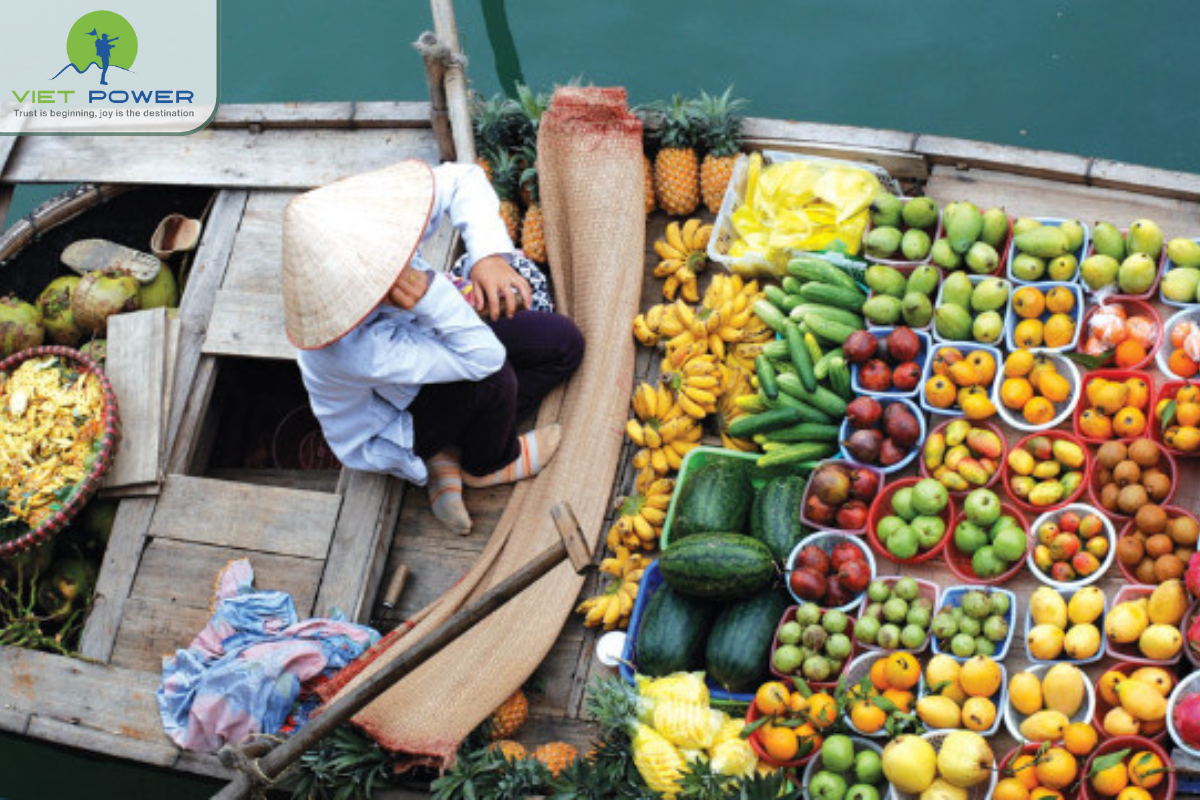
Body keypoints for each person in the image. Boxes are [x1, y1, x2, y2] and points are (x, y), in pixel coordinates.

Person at [282, 160, 584, 534]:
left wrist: (488, 256)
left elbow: (462, 178)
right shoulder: (353, 348)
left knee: (563, 343)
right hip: (397, 421)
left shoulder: (373, 221)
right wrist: (430, 296)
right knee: (494, 382)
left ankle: (454, 447)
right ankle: (484, 463)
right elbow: (485, 360)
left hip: (424, 344)